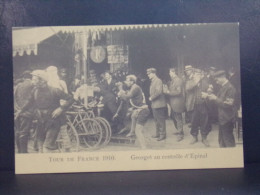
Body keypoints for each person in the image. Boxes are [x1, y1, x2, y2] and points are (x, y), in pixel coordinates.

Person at [16, 70, 74, 153]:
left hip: (54, 121)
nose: (33, 82)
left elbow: (70, 98)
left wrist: (61, 109)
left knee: (48, 147)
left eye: (35, 80)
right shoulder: (35, 91)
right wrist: (21, 111)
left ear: (42, 81)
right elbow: (29, 102)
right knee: (40, 148)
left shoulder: (55, 90)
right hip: (41, 121)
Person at [118, 75, 150, 149]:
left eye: (128, 80)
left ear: (132, 81)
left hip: (143, 110)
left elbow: (126, 97)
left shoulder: (135, 88)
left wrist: (120, 90)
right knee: (133, 116)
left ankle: (144, 148)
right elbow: (130, 95)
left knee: (138, 131)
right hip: (139, 109)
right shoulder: (134, 87)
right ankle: (132, 132)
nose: (126, 82)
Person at [208, 70, 236, 147]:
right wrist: (209, 96)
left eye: (217, 80)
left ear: (222, 77)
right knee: (221, 140)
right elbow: (219, 100)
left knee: (228, 141)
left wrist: (215, 98)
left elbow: (227, 105)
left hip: (227, 119)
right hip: (222, 118)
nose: (216, 82)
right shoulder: (223, 87)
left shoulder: (230, 88)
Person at [188, 69, 211, 147]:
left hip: (203, 105)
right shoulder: (190, 82)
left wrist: (209, 91)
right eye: (196, 74)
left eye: (199, 74)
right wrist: (196, 82)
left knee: (204, 122)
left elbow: (209, 92)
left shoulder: (205, 83)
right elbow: (188, 88)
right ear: (193, 75)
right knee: (194, 122)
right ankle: (194, 137)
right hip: (193, 106)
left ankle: (204, 138)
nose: (198, 75)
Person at [14, 71, 34, 153]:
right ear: (31, 77)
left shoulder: (18, 86)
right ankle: (24, 152)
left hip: (17, 111)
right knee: (24, 132)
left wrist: (17, 109)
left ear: (23, 78)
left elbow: (14, 98)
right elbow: (32, 99)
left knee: (18, 131)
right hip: (26, 112)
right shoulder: (32, 85)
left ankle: (19, 151)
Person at [163, 68, 185, 142]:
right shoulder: (173, 80)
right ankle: (179, 130)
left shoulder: (178, 80)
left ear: (173, 72)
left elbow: (178, 92)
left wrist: (168, 92)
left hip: (177, 102)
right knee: (174, 117)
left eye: (170, 72)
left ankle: (180, 134)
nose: (169, 74)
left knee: (178, 118)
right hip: (173, 102)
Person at [147, 68, 167, 141]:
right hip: (155, 104)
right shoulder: (153, 81)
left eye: (149, 74)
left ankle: (162, 135)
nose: (148, 75)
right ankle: (158, 133)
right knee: (156, 120)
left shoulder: (158, 81)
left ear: (153, 73)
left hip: (159, 104)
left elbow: (158, 92)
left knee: (160, 120)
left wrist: (151, 98)